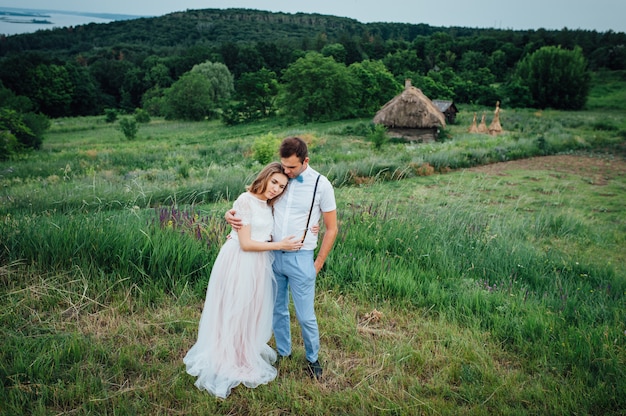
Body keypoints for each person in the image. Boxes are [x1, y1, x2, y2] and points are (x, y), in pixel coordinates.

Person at [183, 162, 304, 399]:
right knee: (235, 308)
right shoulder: (245, 200)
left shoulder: (269, 205)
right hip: (240, 260)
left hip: (258, 264)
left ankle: (242, 353)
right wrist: (282, 245)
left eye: (282, 186)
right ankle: (226, 358)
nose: (277, 189)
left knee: (251, 310)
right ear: (266, 177)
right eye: (274, 183)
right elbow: (247, 243)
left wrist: (312, 228)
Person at [226, 137, 338, 380]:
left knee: (305, 315)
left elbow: (332, 228)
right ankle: (283, 352)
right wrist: (230, 214)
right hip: (270, 255)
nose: (286, 172)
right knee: (277, 309)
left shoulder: (322, 185)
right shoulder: (278, 179)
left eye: (292, 168)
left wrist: (318, 263)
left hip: (302, 257)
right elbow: (253, 200)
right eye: (283, 166)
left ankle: (312, 358)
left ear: (305, 161)